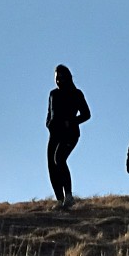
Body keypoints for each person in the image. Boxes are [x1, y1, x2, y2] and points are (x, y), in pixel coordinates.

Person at [46, 64, 91, 209]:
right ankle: (59, 200)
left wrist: (70, 122)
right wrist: (48, 124)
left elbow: (86, 114)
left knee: (59, 159)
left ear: (68, 77)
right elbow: (49, 112)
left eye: (61, 77)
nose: (58, 80)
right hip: (54, 134)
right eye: (56, 77)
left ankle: (69, 196)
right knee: (52, 165)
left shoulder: (76, 93)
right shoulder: (53, 94)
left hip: (70, 133)